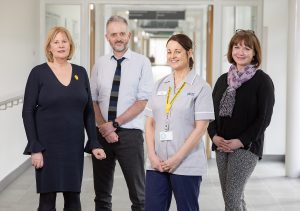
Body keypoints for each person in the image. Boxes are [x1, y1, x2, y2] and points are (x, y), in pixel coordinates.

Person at [22, 26, 106, 211]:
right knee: (47, 201)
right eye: (56, 42)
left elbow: (88, 112)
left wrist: (94, 142)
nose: (61, 45)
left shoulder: (81, 72)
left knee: (73, 199)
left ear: (70, 45)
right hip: (46, 147)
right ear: (49, 47)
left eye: (64, 41)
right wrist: (34, 147)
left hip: (72, 147)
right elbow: (27, 111)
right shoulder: (38, 73)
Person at [144, 34, 215, 211]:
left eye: (177, 51)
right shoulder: (160, 84)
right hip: (157, 163)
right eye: (169, 52)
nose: (172, 56)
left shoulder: (201, 87)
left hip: (186, 163)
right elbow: (150, 122)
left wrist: (177, 158)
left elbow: (201, 128)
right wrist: (152, 155)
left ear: (189, 53)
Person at [90, 15, 153, 211]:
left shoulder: (142, 63)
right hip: (101, 135)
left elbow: (142, 101)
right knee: (101, 195)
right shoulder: (99, 64)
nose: (118, 38)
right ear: (107, 37)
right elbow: (93, 99)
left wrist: (114, 124)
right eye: (114, 34)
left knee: (139, 196)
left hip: (130, 135)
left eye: (122, 34)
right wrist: (104, 127)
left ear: (129, 35)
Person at [207, 29, 275, 210]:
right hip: (221, 146)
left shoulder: (262, 81)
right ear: (231, 51)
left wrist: (240, 141)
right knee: (233, 198)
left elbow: (264, 118)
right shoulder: (223, 80)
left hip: (246, 147)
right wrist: (213, 136)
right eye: (236, 47)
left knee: (232, 198)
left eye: (246, 48)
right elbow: (210, 112)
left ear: (254, 53)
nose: (240, 52)